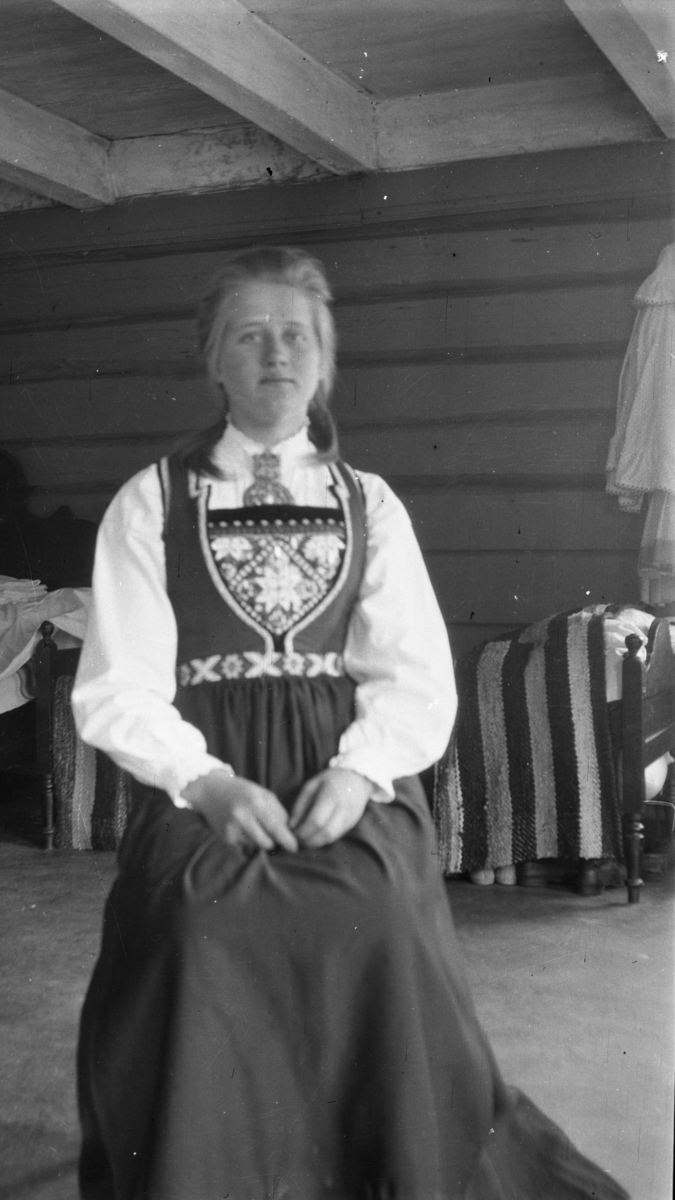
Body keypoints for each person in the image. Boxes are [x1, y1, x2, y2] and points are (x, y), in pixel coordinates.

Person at [71, 247, 628, 1199]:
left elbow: (413, 675)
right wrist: (205, 782)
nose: (275, 354)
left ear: (325, 363)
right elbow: (116, 685)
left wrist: (363, 772)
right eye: (249, 335)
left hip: (345, 767)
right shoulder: (151, 502)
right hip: (206, 773)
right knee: (195, 917)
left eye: (297, 336)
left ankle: (376, 1162)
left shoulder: (368, 502)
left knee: (375, 907)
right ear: (214, 360)